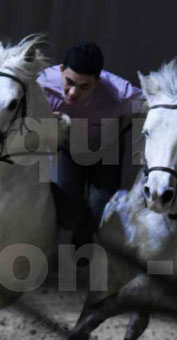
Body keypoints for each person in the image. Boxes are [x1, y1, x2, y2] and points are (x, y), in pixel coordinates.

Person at [38, 42, 144, 247]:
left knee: (100, 210)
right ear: (61, 70)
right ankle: (77, 222)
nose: (72, 93)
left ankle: (85, 235)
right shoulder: (41, 84)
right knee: (66, 212)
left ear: (97, 81)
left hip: (106, 148)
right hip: (67, 145)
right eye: (69, 82)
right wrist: (45, 120)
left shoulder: (121, 92)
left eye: (84, 87)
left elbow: (156, 105)